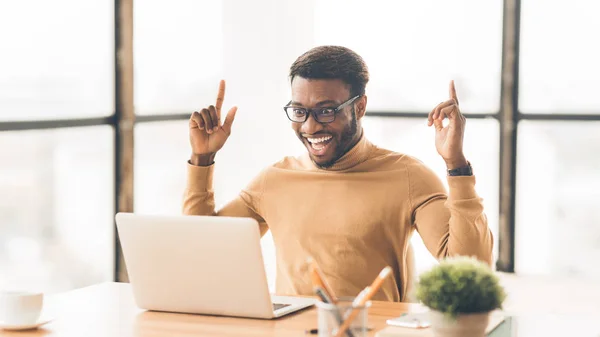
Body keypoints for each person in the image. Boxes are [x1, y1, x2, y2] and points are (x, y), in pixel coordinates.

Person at [183, 46, 493, 302]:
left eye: (326, 110)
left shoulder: (408, 176)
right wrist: (202, 158)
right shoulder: (274, 180)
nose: (310, 126)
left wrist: (456, 165)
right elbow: (203, 253)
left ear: (359, 107)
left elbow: (471, 269)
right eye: (300, 110)